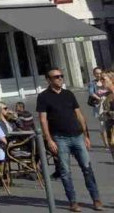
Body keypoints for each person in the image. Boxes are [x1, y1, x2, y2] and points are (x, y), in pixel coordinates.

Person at [37, 68, 102, 212]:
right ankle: (73, 202)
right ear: (49, 80)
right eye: (56, 77)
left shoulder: (68, 94)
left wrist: (86, 136)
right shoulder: (43, 97)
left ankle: (96, 199)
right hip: (60, 139)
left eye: (61, 76)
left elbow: (79, 115)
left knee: (87, 168)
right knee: (65, 172)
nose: (60, 79)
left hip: (78, 136)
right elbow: (43, 120)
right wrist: (49, 140)